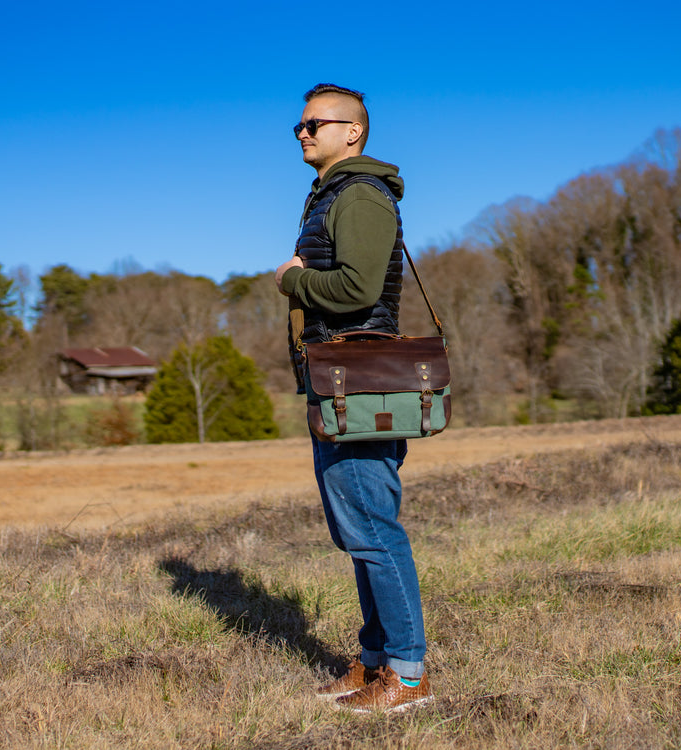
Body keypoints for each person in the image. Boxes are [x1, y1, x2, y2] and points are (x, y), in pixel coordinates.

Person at [275, 83, 433, 713]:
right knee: (356, 531)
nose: (304, 132)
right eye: (300, 125)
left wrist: (292, 280)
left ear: (354, 132)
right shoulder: (334, 194)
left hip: (358, 384)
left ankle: (408, 676)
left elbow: (358, 288)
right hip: (335, 384)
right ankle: (373, 665)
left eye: (317, 123)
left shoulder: (362, 195)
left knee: (372, 528)